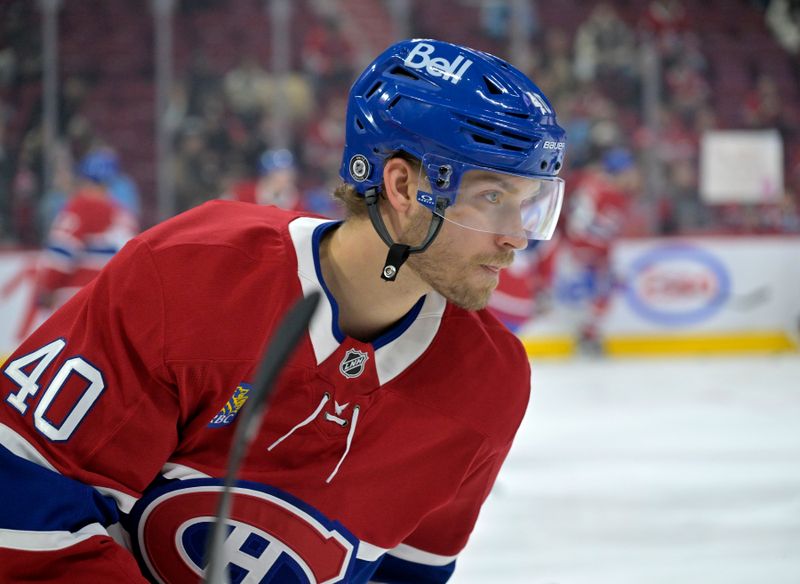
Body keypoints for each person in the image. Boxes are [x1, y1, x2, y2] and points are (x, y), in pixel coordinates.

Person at [0, 39, 566, 583]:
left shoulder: (491, 383)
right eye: (492, 198)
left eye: (529, 205)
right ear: (401, 184)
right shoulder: (194, 272)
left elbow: (404, 575)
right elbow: (22, 501)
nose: (518, 238)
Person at [32, 151, 139, 314]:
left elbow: (61, 253)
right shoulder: (124, 214)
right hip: (113, 300)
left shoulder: (81, 206)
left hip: (78, 298)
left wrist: (47, 288)